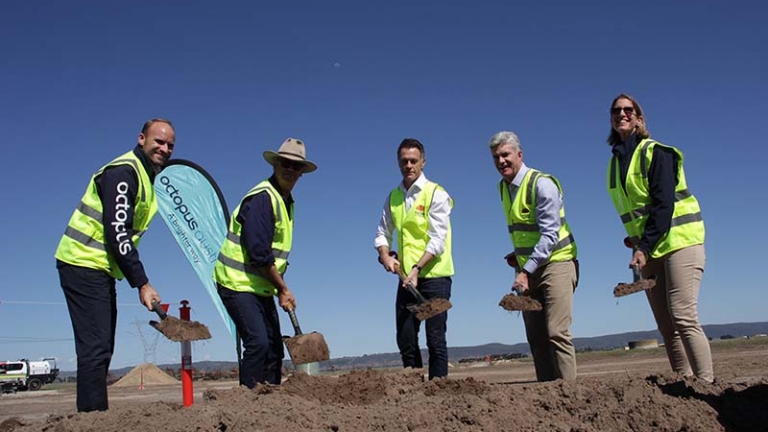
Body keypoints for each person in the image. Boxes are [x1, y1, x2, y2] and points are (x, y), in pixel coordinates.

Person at [55, 118, 175, 412]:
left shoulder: (146, 177)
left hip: (98, 268)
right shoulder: (124, 172)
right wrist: (142, 283)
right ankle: (93, 421)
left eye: (170, 144)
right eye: (158, 141)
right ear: (141, 138)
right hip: (82, 262)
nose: (165, 148)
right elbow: (117, 231)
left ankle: (94, 417)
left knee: (101, 348)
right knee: (95, 349)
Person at [606, 94, 713, 382]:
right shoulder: (614, 165)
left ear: (640, 118)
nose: (622, 114)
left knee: (682, 315)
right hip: (650, 248)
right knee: (666, 324)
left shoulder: (657, 152)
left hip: (681, 241)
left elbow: (664, 204)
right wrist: (636, 240)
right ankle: (682, 383)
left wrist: (644, 245)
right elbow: (636, 210)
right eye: (616, 110)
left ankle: (706, 385)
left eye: (629, 110)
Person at [214, 137, 316, 388]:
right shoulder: (263, 198)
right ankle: (248, 405)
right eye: (285, 163)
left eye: (296, 166)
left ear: (302, 172)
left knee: (273, 347)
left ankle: (273, 405)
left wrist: (281, 287)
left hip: (259, 287)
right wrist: (282, 289)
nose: (290, 170)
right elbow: (258, 253)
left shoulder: (285, 201)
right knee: (258, 343)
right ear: (275, 164)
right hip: (236, 284)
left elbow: (272, 258)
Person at [489, 131, 579, 382]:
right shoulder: (503, 188)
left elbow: (550, 235)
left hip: (557, 263)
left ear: (519, 154)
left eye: (505, 155)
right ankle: (548, 394)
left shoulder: (542, 184)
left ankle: (570, 395)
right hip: (528, 267)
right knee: (536, 337)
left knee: (557, 332)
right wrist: (518, 257)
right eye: (496, 157)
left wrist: (525, 270)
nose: (501, 161)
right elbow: (526, 230)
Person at [374, 138, 454, 380]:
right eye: (404, 161)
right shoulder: (393, 197)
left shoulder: (436, 194)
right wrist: (385, 255)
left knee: (435, 338)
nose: (408, 165)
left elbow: (438, 239)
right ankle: (414, 391)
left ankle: (438, 390)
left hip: (435, 277)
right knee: (406, 337)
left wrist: (418, 268)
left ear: (423, 162)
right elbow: (382, 233)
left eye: (413, 160)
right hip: (406, 279)